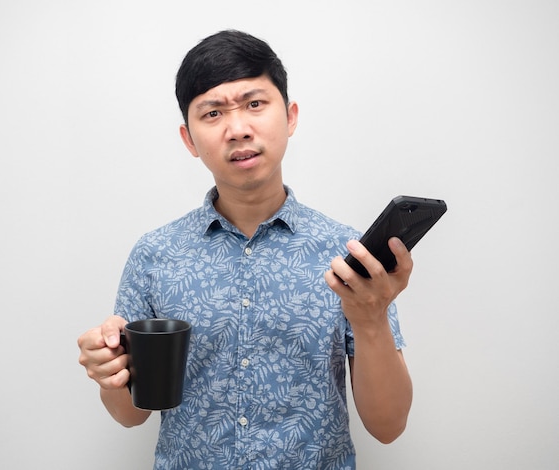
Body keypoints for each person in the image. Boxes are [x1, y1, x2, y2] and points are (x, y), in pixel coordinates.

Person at [78, 29, 413, 469]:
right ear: (189, 139)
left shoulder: (347, 254)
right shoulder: (155, 255)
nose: (238, 129)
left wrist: (370, 321)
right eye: (213, 113)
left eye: (255, 104)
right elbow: (130, 415)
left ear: (290, 116)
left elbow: (388, 427)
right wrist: (109, 375)